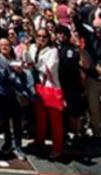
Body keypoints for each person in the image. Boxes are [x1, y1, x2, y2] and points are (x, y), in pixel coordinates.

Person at [28, 28, 64, 160]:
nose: (41, 39)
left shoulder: (53, 51)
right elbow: (27, 61)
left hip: (51, 87)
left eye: (44, 37)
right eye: (39, 36)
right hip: (37, 86)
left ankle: (57, 148)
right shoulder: (32, 47)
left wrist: (35, 65)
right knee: (40, 117)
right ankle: (40, 140)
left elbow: (50, 67)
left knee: (55, 121)